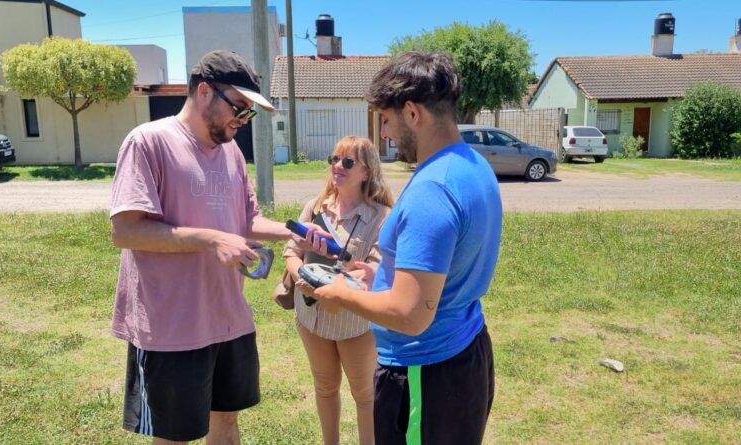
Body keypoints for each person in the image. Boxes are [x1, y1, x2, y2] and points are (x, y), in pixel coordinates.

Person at [109, 50, 324, 445]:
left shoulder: (231, 152)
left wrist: (295, 232)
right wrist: (212, 239)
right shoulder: (148, 142)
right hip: (170, 324)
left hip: (228, 316)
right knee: (174, 436)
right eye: (238, 106)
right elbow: (126, 231)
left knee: (226, 423)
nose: (242, 119)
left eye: (249, 112)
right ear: (205, 91)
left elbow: (247, 220)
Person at [312, 51, 503, 444]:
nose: (385, 133)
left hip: (424, 373)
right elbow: (448, 265)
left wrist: (340, 295)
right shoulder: (472, 164)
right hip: (465, 353)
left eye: (386, 119)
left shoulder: (432, 190)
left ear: (412, 113)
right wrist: (381, 276)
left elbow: (410, 314)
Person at [283, 135, 394, 445]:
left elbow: (374, 274)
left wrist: (336, 282)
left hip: (354, 324)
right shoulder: (315, 207)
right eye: (334, 159)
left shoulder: (381, 217)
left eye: (347, 162)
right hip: (311, 318)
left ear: (367, 171)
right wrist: (305, 277)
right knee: (325, 388)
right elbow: (291, 253)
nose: (337, 166)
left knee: (365, 395)